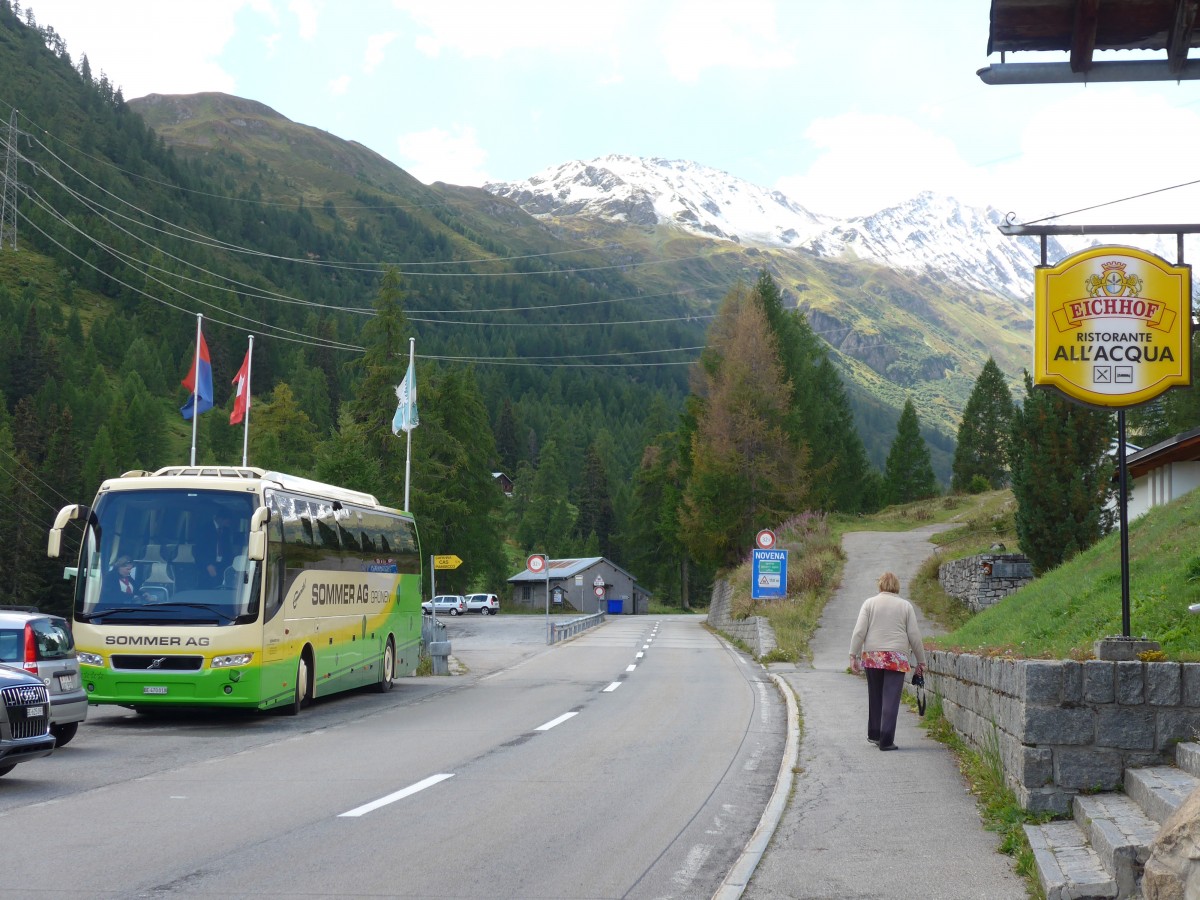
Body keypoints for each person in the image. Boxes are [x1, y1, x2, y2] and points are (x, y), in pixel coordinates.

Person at [849, 571, 927, 752]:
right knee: (891, 699)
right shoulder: (905, 606)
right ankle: (886, 740)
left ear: (880, 585)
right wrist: (921, 661)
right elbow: (914, 635)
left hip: (873, 655)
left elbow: (859, 631)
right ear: (896, 586)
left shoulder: (869, 603)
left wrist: (853, 654)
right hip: (896, 657)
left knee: (875, 696)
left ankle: (875, 734)